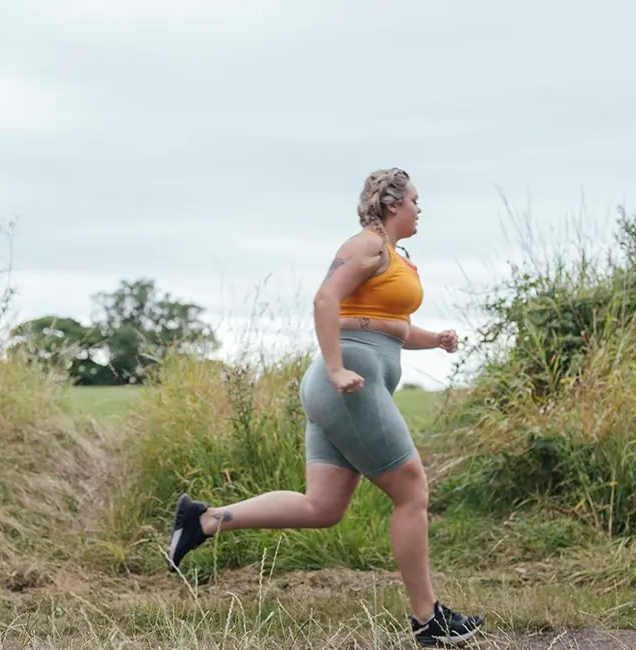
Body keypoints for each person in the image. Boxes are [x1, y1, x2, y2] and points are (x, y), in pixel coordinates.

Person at [163, 168, 485, 647]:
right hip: (346, 384)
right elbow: (324, 298)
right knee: (412, 491)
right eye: (416, 200)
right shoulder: (366, 246)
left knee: (324, 506)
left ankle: (204, 520)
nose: (421, 209)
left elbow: (390, 326)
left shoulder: (394, 257)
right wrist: (335, 370)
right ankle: (428, 620)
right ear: (393, 203)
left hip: (349, 383)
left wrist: (433, 339)